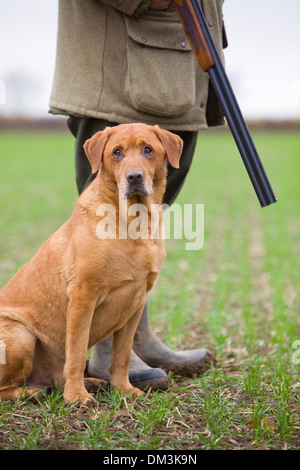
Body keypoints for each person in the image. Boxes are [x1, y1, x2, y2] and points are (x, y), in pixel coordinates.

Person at [49, 0, 227, 391]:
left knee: (147, 214)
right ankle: (102, 356)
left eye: (147, 151)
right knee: (105, 228)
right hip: (119, 59)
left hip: (184, 62)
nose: (134, 163)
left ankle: (136, 340)